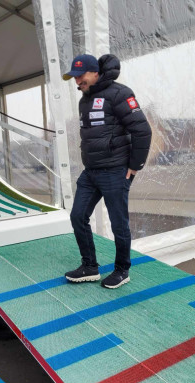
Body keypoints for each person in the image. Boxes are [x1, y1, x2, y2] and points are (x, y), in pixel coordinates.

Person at [63, 54, 152, 289]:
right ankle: (90, 267)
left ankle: (122, 270)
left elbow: (142, 130)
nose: (77, 81)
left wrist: (135, 165)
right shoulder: (84, 100)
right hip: (91, 172)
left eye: (80, 76)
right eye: (74, 78)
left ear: (95, 72)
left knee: (118, 224)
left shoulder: (119, 93)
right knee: (77, 216)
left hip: (115, 171)